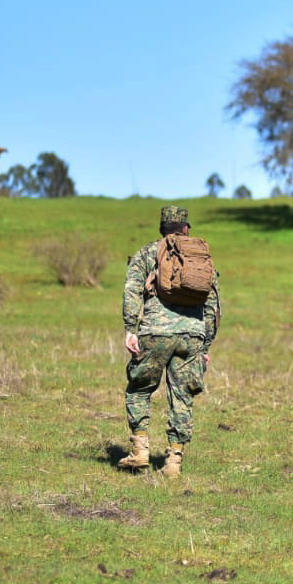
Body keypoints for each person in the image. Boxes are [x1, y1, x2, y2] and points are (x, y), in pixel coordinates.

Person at [118, 205, 221, 478]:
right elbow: (213, 305)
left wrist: (131, 328)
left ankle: (140, 452)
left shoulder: (148, 252)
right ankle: (173, 462)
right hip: (192, 336)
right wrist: (205, 345)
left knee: (139, 389)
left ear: (162, 228)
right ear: (186, 228)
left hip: (155, 332)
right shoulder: (200, 256)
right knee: (182, 397)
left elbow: (131, 290)